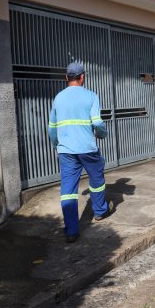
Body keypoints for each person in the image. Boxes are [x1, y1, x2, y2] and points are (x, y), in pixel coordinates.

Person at [48, 61, 111, 243]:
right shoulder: (91, 96)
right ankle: (99, 212)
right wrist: (102, 134)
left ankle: (71, 231)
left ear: (66, 77)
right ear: (82, 77)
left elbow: (52, 127)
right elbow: (97, 123)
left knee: (68, 189)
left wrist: (56, 145)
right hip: (87, 148)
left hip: (66, 151)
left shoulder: (58, 98)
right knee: (97, 179)